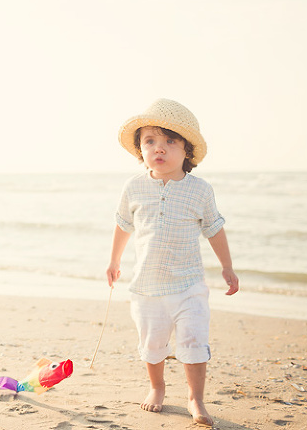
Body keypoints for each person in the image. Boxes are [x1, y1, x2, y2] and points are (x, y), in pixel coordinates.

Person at [106, 98, 239, 427]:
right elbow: (124, 224)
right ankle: (157, 387)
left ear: (187, 151)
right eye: (149, 141)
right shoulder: (134, 187)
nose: (159, 148)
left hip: (189, 284)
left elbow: (214, 229)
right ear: (140, 149)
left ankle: (195, 397)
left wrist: (227, 266)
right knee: (152, 345)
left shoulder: (199, 190)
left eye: (169, 140)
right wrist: (114, 261)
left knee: (194, 341)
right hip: (147, 286)